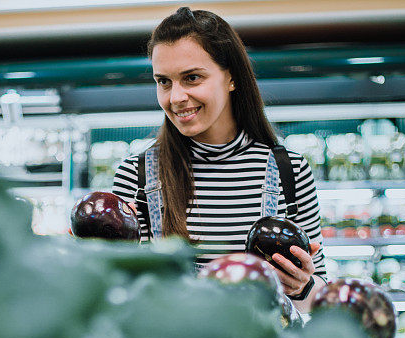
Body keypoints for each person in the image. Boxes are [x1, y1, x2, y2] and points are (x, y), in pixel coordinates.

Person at [113, 6, 326, 312]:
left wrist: (303, 286)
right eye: (164, 82)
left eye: (192, 78)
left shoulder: (289, 171)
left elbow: (318, 296)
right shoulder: (136, 175)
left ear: (232, 78)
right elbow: (119, 296)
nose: (175, 98)